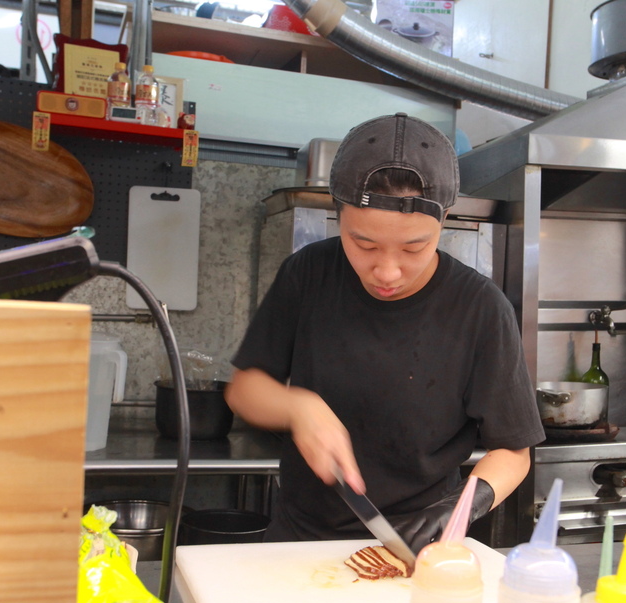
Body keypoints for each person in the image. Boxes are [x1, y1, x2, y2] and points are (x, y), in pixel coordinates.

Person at [225, 112, 544, 553]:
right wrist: (298, 407)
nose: (387, 272)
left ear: (445, 220)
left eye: (414, 247)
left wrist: (459, 508)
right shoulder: (308, 273)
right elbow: (245, 389)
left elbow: (514, 452)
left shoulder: (480, 308)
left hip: (418, 548)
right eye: (364, 245)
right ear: (338, 216)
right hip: (299, 544)